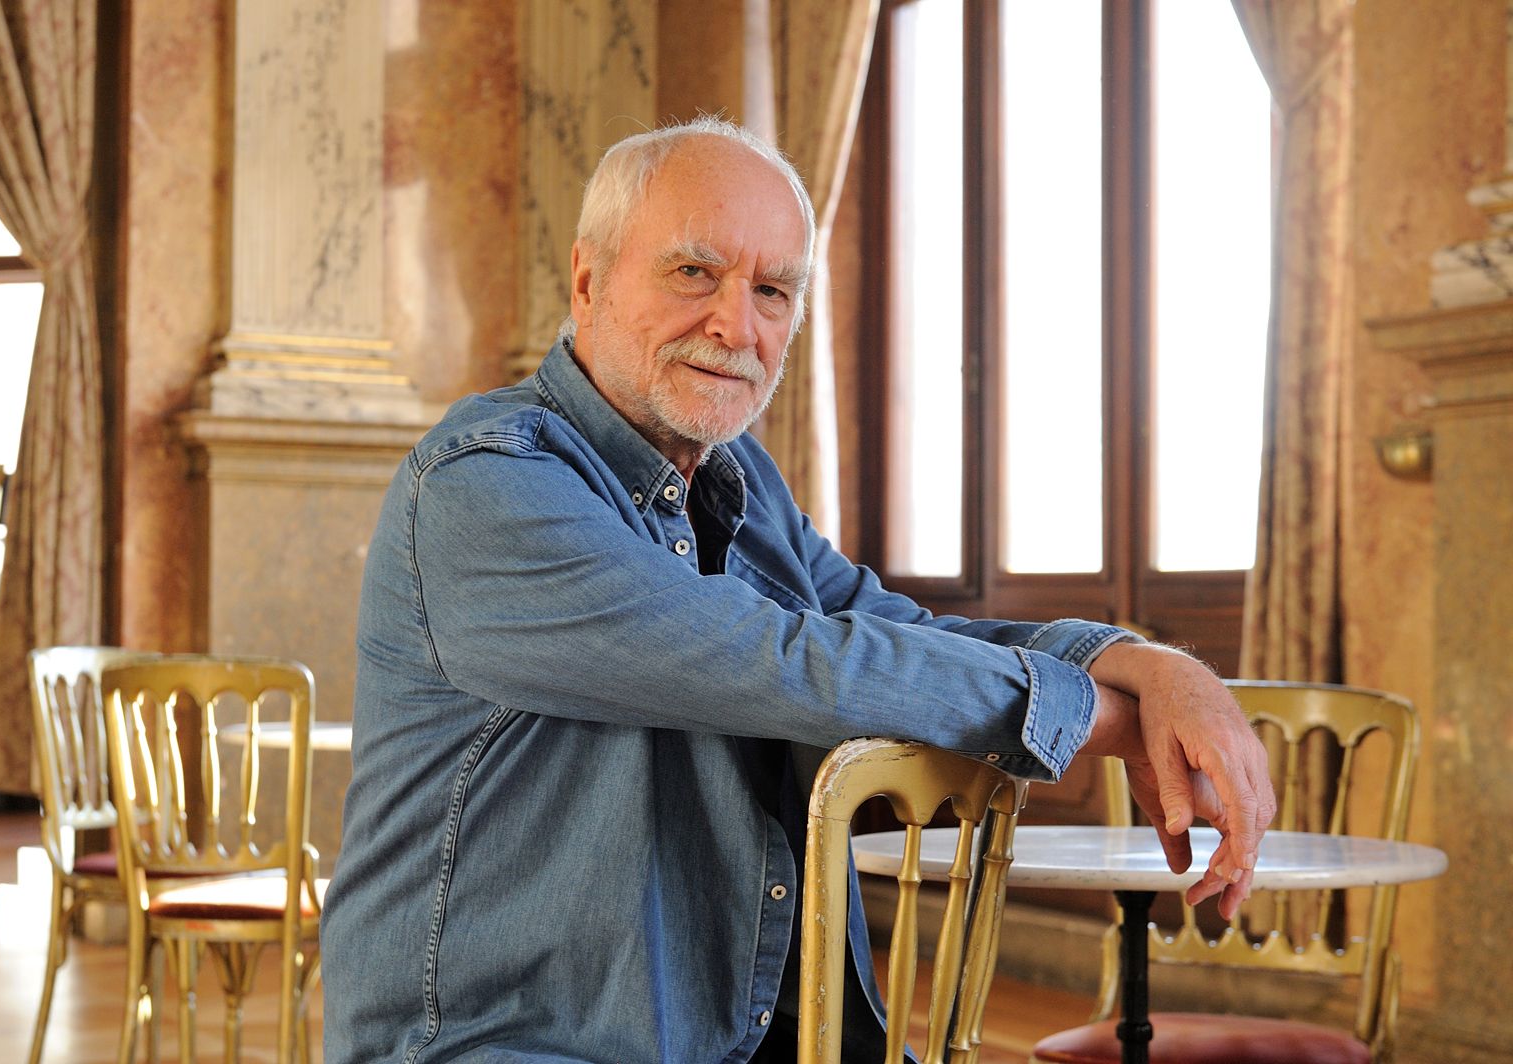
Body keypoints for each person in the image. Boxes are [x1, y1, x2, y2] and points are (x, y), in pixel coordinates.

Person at [321, 117, 1275, 1063]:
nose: (736, 326)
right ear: (588, 279)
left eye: (772, 291)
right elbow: (782, 662)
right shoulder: (483, 482)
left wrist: (1144, 665)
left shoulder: (740, 483)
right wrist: (1105, 720)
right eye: (693, 272)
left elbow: (893, 627)